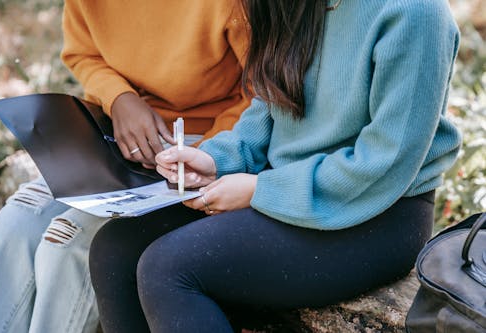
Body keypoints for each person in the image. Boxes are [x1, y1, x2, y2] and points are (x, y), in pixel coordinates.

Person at [88, 0, 463, 332]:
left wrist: (259, 191)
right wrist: (216, 159)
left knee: (169, 268)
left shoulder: (415, 12)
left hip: (377, 212)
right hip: (286, 186)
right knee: (115, 248)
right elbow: (270, 104)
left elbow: (385, 162)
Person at [0, 1, 250, 332]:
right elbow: (82, 53)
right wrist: (119, 98)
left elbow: (263, 92)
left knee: (66, 244)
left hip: (207, 143)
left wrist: (207, 154)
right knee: (14, 224)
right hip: (114, 133)